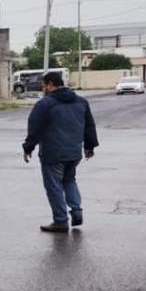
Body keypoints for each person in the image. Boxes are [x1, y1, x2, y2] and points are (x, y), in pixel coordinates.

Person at [22, 71, 99, 233]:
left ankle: (60, 221)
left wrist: (28, 147)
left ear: (50, 84)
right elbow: (89, 125)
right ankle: (76, 210)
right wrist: (89, 146)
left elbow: (35, 128)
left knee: (54, 186)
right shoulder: (81, 102)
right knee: (69, 180)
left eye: (44, 85)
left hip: (53, 152)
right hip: (74, 152)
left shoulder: (46, 104)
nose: (43, 88)